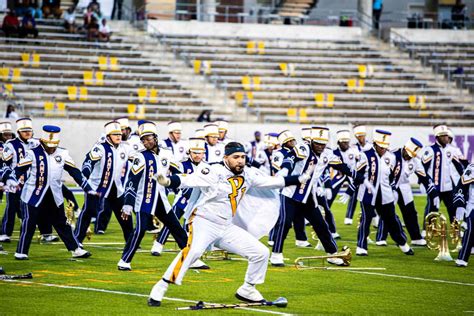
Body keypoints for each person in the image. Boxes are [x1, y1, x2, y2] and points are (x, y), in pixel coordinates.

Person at [147, 141, 311, 306]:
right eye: (236, 157)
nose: (240, 160)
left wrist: (299, 178)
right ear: (226, 158)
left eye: (243, 157)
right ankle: (161, 287)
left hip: (226, 226)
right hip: (204, 221)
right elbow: (189, 179)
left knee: (261, 253)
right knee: (193, 251)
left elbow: (272, 182)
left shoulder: (248, 174)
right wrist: (168, 182)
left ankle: (248, 288)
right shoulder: (213, 170)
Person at [118, 122, 207, 270]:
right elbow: (132, 181)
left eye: (149, 138)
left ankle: (191, 259)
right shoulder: (140, 157)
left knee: (176, 228)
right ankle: (124, 261)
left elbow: (178, 172)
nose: (146, 142)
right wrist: (128, 203)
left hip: (161, 198)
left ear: (155, 137)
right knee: (139, 230)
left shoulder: (166, 153)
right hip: (145, 199)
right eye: (143, 140)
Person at [1, 125, 93, 260]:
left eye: (54, 145)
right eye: (49, 145)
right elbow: (19, 170)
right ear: (43, 142)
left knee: (62, 223)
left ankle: (75, 249)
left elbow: (75, 172)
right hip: (33, 194)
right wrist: (11, 180)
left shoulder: (63, 153)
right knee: (29, 222)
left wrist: (88, 188)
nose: (52, 148)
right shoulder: (32, 153)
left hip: (54, 195)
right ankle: (21, 252)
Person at [270, 126, 355, 267]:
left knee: (321, 224)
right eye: (317, 143)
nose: (320, 146)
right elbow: (290, 158)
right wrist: (285, 169)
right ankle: (276, 254)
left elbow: (342, 167)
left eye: (323, 144)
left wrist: (359, 177)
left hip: (308, 196)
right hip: (290, 194)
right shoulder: (303, 148)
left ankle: (332, 254)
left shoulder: (327, 153)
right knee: (284, 224)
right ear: (311, 141)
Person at [352, 129, 414, 256]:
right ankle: (361, 246)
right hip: (368, 192)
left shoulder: (391, 157)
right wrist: (351, 189)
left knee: (391, 219)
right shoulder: (365, 154)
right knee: (366, 219)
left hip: (385, 193)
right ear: (375, 144)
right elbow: (357, 173)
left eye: (385, 147)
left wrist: (393, 189)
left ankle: (402, 243)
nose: (383, 149)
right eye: (381, 147)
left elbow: (393, 176)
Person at [74, 121, 133, 243]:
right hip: (96, 188)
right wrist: (85, 175)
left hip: (116, 189)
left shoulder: (126, 148)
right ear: (108, 136)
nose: (118, 136)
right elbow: (88, 162)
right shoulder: (100, 147)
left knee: (125, 215)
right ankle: (77, 241)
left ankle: (131, 242)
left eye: (119, 133)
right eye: (115, 134)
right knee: (87, 213)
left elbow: (138, 160)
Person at [152, 137, 209, 256]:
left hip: (199, 201)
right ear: (189, 152)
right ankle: (158, 244)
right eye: (195, 153)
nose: (198, 155)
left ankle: (193, 248)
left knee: (193, 224)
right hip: (182, 199)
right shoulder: (182, 165)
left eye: (200, 153)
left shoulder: (207, 167)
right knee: (172, 223)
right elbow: (178, 180)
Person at [421, 124, 465, 224]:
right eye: (443, 136)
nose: (446, 138)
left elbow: (458, 166)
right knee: (432, 208)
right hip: (434, 187)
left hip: (448, 186)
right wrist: (422, 183)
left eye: (446, 135)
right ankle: (427, 229)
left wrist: (465, 177)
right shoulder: (430, 150)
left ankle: (455, 229)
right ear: (437, 137)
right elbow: (423, 168)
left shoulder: (451, 150)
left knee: (452, 208)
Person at [0, 118, 34, 243]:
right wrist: (8, 179)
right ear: (19, 132)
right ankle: (5, 232)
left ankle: (41, 232)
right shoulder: (10, 144)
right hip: (14, 181)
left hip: (31, 182)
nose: (27, 133)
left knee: (30, 207)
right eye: (24, 131)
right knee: (12, 206)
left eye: (29, 130)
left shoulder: (35, 143)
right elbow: (5, 164)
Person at [328, 130, 359, 225]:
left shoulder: (354, 150)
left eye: (347, 142)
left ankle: (349, 217)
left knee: (356, 192)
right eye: (343, 142)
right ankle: (324, 211)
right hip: (339, 175)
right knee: (331, 192)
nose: (346, 144)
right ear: (339, 142)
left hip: (352, 175)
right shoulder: (334, 152)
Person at [453, 163, 474, 267]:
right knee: (471, 230)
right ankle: (462, 258)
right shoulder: (472, 167)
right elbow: (461, 185)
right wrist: (460, 204)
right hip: (473, 205)